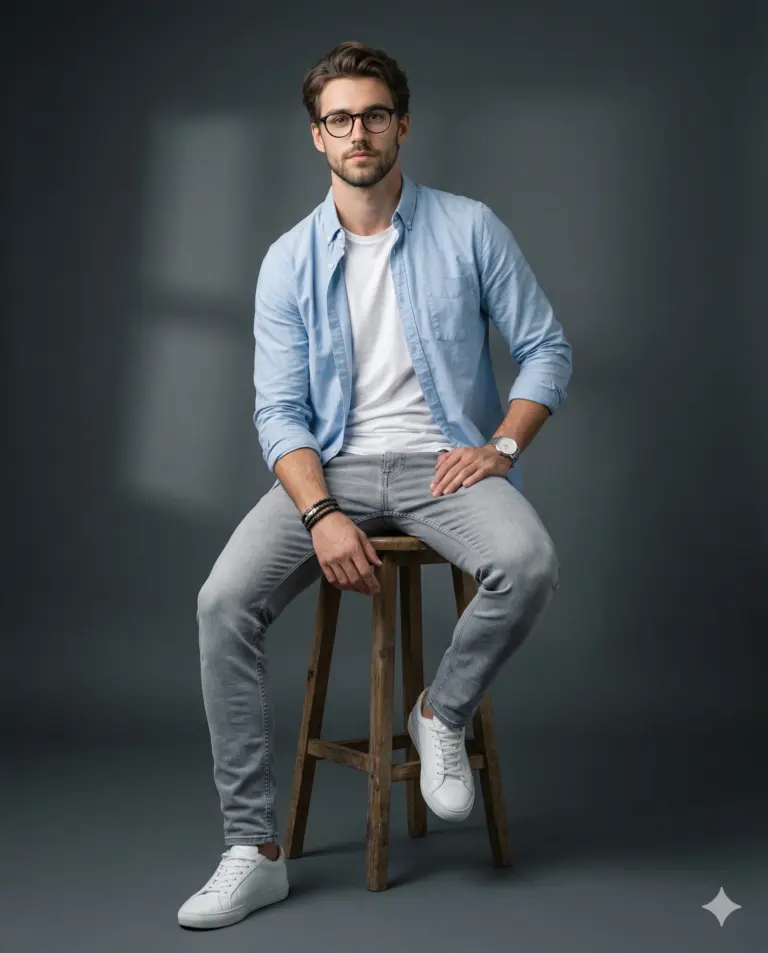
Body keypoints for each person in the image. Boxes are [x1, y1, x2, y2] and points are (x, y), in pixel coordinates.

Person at [177, 39, 573, 930]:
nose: (359, 132)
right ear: (317, 137)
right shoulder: (288, 260)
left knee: (529, 560)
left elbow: (546, 348)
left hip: (446, 464)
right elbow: (279, 411)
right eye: (340, 119)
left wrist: (501, 447)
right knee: (220, 603)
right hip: (334, 468)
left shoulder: (471, 227)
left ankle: (440, 711)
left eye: (375, 115)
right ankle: (254, 849)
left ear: (403, 124)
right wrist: (319, 511)